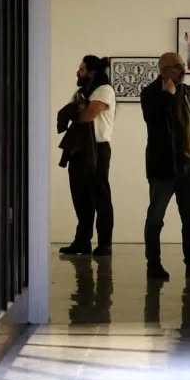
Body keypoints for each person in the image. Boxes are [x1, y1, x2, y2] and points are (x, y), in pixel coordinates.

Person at [140, 52, 190, 281]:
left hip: (189, 165)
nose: (182, 70)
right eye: (177, 66)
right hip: (163, 166)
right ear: (163, 69)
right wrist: (167, 95)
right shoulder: (150, 93)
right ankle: (153, 264)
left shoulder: (189, 92)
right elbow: (153, 120)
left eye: (183, 65)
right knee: (155, 218)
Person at [58, 55, 116, 256]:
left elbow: (87, 115)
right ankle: (82, 242)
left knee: (100, 196)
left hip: (98, 149)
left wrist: (76, 110)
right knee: (81, 196)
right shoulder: (84, 92)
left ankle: (105, 244)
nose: (78, 72)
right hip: (81, 149)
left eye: (82, 69)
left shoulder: (104, 90)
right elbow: (80, 113)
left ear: (92, 72)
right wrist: (78, 109)